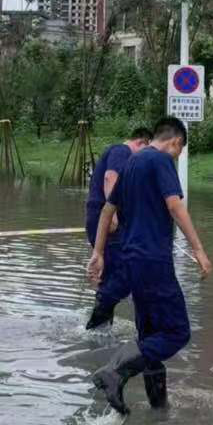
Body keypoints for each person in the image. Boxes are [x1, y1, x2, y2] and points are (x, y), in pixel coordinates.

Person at [87, 116, 212, 415]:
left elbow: (107, 210)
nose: (177, 156)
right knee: (177, 332)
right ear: (175, 142)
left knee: (150, 338)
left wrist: (99, 253)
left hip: (130, 261)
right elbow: (175, 205)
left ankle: (160, 410)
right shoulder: (160, 160)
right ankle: (114, 372)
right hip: (152, 260)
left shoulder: (130, 163)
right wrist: (199, 249)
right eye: (179, 152)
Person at [84, 127, 154, 329]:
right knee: (124, 271)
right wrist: (112, 214)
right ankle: (97, 326)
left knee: (114, 273)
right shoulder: (122, 151)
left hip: (101, 220)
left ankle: (101, 330)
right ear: (142, 143)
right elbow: (110, 178)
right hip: (105, 220)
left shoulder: (122, 155)